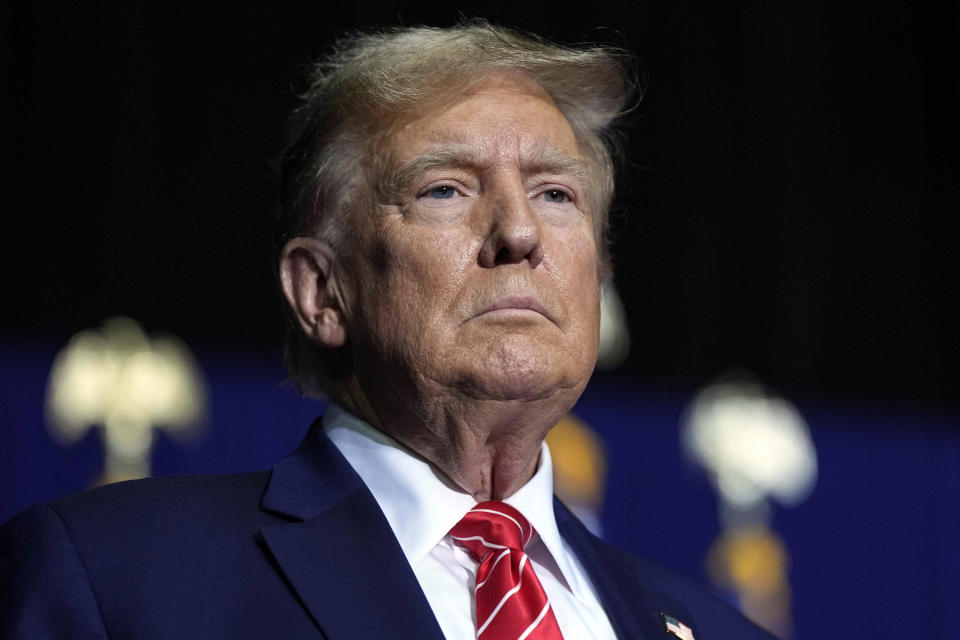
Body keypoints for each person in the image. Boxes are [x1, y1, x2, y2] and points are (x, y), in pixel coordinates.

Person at [1, 21, 776, 640]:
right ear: (323, 292)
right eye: (444, 189)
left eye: (555, 194)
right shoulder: (119, 578)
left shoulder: (717, 629)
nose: (519, 232)